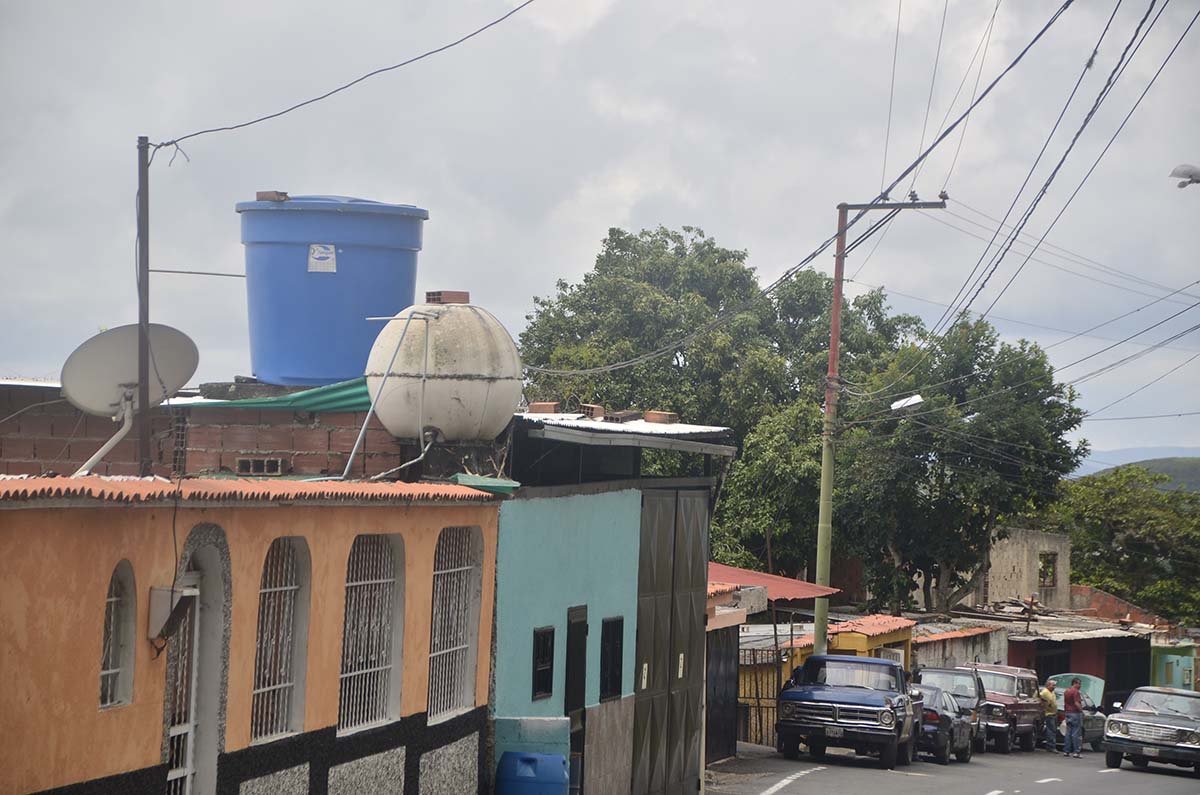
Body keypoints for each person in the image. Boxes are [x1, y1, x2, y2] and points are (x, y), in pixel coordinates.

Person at [1063, 678, 1083, 758]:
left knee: (1068, 733)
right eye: (1079, 684)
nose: (1080, 686)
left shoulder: (1066, 691)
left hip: (1068, 712)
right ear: (1075, 683)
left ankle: (1066, 751)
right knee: (1075, 733)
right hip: (1075, 713)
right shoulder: (1076, 692)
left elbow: (1065, 702)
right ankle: (1076, 752)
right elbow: (1076, 703)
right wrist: (1081, 710)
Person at [1038, 679, 1059, 751]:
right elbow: (1039, 699)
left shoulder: (1052, 692)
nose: (1054, 687)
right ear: (1048, 685)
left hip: (1054, 713)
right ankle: (1051, 746)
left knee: (1053, 730)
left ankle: (1051, 745)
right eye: (1053, 685)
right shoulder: (1044, 692)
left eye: (1055, 685)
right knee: (1051, 730)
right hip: (1049, 714)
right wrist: (1045, 705)